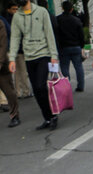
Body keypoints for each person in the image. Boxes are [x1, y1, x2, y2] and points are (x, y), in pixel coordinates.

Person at [8, 0, 58, 130]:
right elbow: (15, 37)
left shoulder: (41, 12)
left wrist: (54, 55)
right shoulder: (17, 16)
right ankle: (47, 118)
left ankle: (53, 116)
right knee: (36, 89)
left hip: (43, 54)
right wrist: (12, 58)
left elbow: (49, 33)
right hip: (29, 56)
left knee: (41, 86)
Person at [57, 1, 85, 92]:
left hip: (63, 47)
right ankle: (81, 86)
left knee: (64, 67)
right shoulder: (76, 20)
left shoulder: (58, 19)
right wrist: (82, 46)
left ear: (62, 8)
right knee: (78, 67)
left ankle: (66, 87)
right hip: (76, 46)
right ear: (72, 9)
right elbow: (81, 35)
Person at [0, 14, 19, 127]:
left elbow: (3, 45)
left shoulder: (0, 24)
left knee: (9, 92)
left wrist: (0, 62)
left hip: (2, 65)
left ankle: (15, 115)